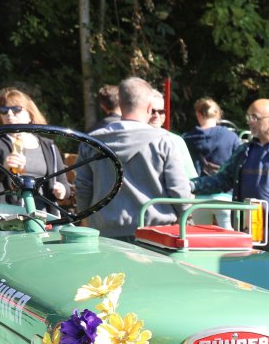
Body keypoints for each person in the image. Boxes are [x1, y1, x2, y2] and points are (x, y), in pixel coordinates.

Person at [191, 99, 269, 298]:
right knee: (247, 287)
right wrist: (190, 185)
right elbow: (222, 180)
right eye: (249, 117)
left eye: (254, 118)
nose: (249, 122)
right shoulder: (245, 152)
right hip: (247, 232)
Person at [71, 77, 194, 234]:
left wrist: (85, 219)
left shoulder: (92, 142)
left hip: (105, 232)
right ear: (149, 107)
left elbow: (83, 187)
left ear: (120, 105)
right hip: (155, 234)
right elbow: (178, 189)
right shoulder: (164, 141)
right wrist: (185, 218)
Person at [0, 87, 66, 202]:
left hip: (43, 211)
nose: (9, 114)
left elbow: (63, 183)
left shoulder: (49, 146)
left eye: (16, 109)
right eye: (3, 110)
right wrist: (2, 168)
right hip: (5, 212)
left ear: (30, 114)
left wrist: (62, 191)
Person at [183, 97, 241, 176]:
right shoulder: (231, 138)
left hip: (194, 183)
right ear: (218, 114)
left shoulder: (185, 139)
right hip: (223, 183)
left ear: (198, 114)